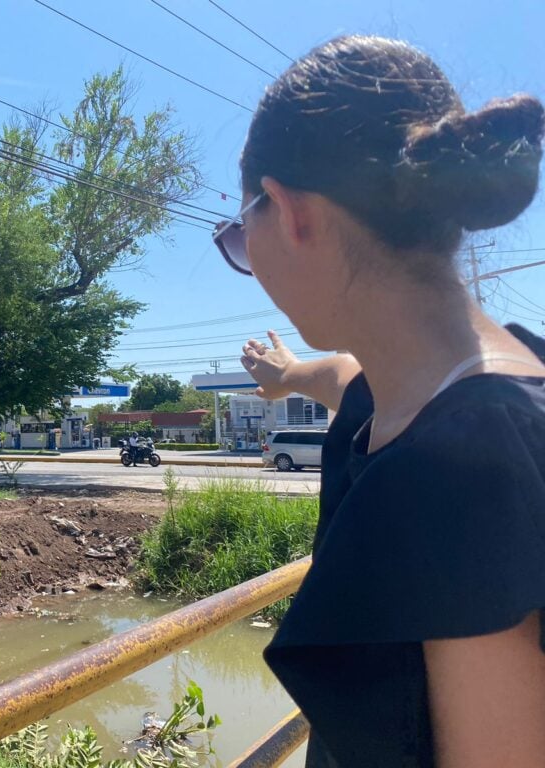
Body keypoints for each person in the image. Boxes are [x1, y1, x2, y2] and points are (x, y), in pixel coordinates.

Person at [215, 35, 545, 768]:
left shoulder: (467, 474)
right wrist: (290, 373)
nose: (248, 260)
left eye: (241, 233)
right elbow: (345, 380)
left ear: (289, 211)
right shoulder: (451, 384)